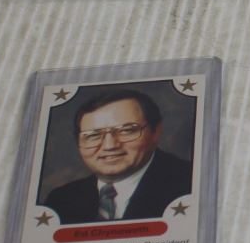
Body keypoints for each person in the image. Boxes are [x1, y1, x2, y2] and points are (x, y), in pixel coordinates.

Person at [42, 88, 192, 225]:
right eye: (93, 135)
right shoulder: (61, 199)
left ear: (156, 132)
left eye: (127, 131)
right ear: (79, 142)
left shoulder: (190, 182)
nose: (110, 146)